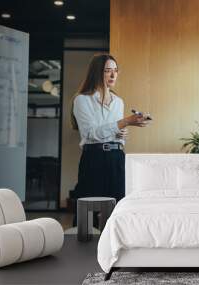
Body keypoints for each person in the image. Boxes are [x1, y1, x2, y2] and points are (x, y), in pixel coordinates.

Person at [71, 54, 150, 222]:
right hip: (93, 158)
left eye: (115, 71)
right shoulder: (82, 100)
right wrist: (125, 121)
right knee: (87, 212)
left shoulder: (118, 102)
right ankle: (82, 245)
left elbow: (113, 132)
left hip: (117, 158)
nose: (113, 75)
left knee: (119, 209)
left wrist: (122, 134)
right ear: (97, 73)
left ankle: (115, 245)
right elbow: (90, 133)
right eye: (108, 71)